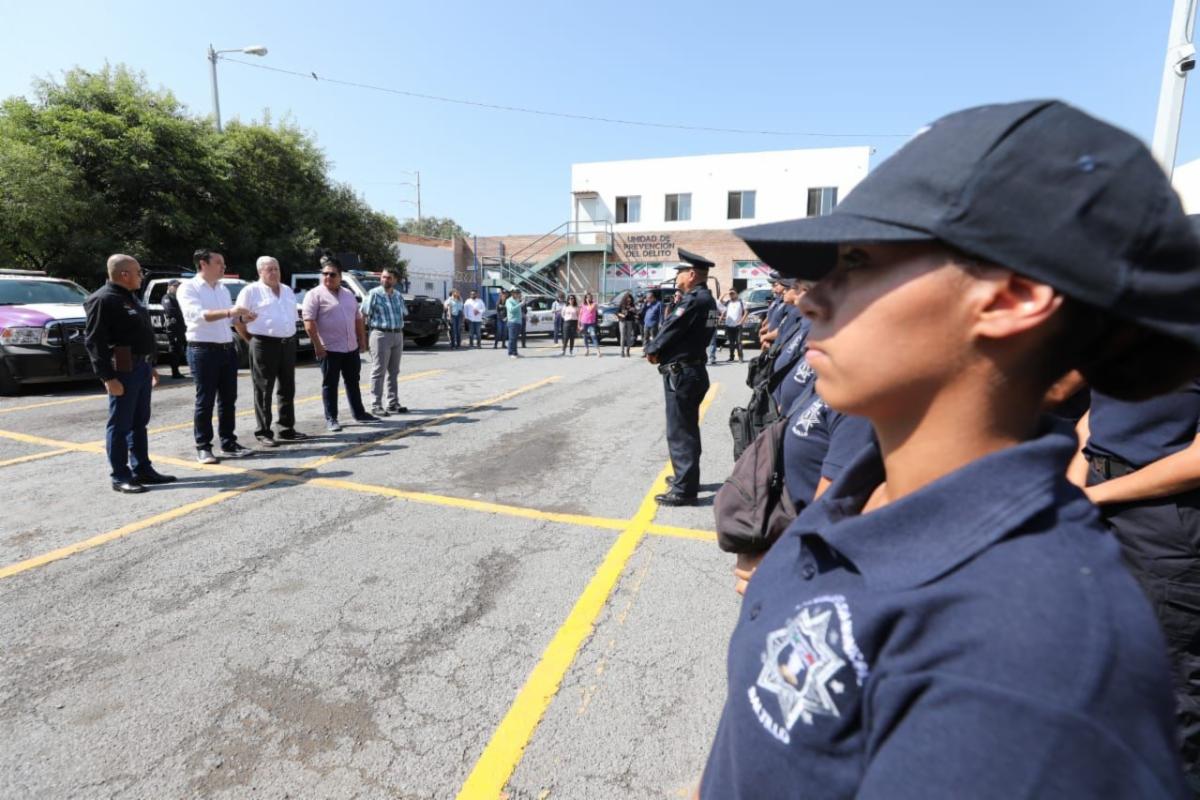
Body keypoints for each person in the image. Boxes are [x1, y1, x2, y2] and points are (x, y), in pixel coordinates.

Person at [697, 100, 1198, 799]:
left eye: (859, 260)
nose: (812, 299)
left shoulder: (1026, 661)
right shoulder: (865, 494)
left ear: (1013, 296)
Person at [1069, 324, 1200, 786]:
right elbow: (1094, 418)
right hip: (1100, 496)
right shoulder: (1132, 323)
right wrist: (1074, 486)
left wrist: (1098, 497)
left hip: (1162, 523)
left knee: (1167, 687)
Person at [83, 254, 175, 493]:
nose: (141, 277)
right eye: (138, 272)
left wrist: (151, 364)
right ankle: (120, 475)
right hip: (122, 370)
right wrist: (108, 377)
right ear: (124, 274)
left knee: (139, 423)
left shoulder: (130, 298)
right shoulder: (103, 300)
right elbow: (95, 342)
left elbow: (140, 335)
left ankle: (142, 468)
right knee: (121, 425)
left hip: (141, 367)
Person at [644, 249, 718, 506]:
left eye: (679, 273)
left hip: (683, 373)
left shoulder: (694, 300)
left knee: (680, 431)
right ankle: (686, 478)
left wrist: (652, 350)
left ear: (692, 274)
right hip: (693, 371)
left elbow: (670, 329)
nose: (676, 278)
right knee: (687, 428)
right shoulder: (706, 299)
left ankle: (684, 490)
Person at [177, 248, 256, 464]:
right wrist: (232, 312)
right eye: (219, 263)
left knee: (228, 399)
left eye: (224, 263)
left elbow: (228, 320)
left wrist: (243, 317)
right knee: (205, 401)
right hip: (202, 350)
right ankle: (203, 447)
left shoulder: (220, 288)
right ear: (203, 264)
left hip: (226, 349)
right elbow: (199, 316)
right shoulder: (188, 288)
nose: (223, 267)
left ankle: (229, 442)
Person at [302, 252, 378, 431]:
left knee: (353, 381)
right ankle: (332, 419)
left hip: (350, 347)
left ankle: (359, 413)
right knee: (330, 384)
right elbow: (309, 323)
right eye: (325, 274)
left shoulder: (348, 294)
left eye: (332, 274)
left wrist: (362, 341)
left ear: (340, 276)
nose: (328, 277)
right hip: (329, 349)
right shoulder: (314, 295)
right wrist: (318, 346)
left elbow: (358, 319)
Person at [234, 256, 304, 447]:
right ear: (260, 272)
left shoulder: (287, 290)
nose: (274, 273)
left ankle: (286, 428)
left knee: (287, 388)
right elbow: (237, 321)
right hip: (264, 344)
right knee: (264, 390)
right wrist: (251, 340)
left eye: (276, 269)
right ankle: (264, 431)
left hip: (287, 343)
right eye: (269, 269)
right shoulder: (251, 291)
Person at [360, 266, 408, 416]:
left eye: (389, 278)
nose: (385, 280)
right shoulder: (373, 294)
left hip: (397, 335)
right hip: (380, 335)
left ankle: (392, 403)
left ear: (395, 280)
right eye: (383, 277)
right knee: (378, 371)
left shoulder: (398, 296)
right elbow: (363, 315)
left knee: (394, 371)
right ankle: (376, 405)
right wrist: (362, 338)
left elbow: (403, 313)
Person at [160, 279, 187, 379]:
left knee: (180, 349)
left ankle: (178, 370)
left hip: (181, 326)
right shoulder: (167, 297)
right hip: (173, 328)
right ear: (169, 287)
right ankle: (175, 372)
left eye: (178, 286)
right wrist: (183, 314)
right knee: (175, 349)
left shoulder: (179, 298)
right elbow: (171, 311)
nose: (177, 288)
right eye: (175, 286)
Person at [722, 289, 746, 362]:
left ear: (736, 294)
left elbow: (747, 312)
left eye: (733, 293)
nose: (731, 295)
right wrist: (725, 293)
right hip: (728, 325)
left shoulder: (741, 302)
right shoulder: (728, 302)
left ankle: (740, 357)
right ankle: (731, 357)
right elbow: (719, 301)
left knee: (738, 342)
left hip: (738, 326)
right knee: (731, 342)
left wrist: (742, 321)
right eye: (730, 294)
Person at [707, 291, 726, 366]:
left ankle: (712, 358)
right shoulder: (703, 302)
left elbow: (724, 310)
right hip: (703, 323)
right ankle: (705, 358)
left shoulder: (715, 302)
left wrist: (720, 319)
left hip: (711, 322)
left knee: (712, 341)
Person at [617, 291, 638, 357]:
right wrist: (622, 315)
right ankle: (622, 351)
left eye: (630, 298)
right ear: (625, 299)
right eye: (628, 298)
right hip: (622, 321)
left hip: (629, 321)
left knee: (629, 336)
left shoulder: (632, 305)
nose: (629, 300)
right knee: (622, 336)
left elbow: (635, 313)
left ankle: (628, 351)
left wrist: (634, 310)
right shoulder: (621, 304)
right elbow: (617, 312)